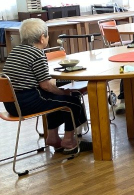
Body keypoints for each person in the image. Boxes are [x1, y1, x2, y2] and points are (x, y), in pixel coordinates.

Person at [2, 18, 89, 152]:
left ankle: (53, 137)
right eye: (47, 36)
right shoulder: (37, 54)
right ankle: (69, 141)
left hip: (11, 105)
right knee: (73, 102)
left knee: (54, 99)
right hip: (26, 102)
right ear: (42, 38)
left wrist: (59, 93)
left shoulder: (16, 51)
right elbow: (46, 85)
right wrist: (63, 93)